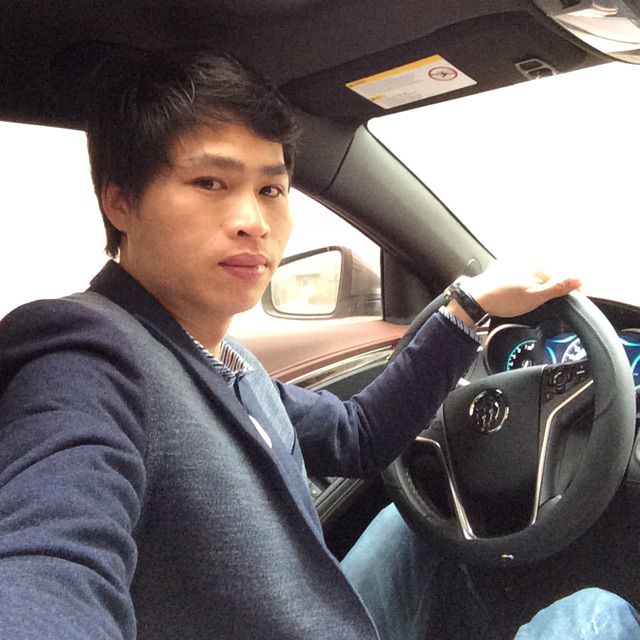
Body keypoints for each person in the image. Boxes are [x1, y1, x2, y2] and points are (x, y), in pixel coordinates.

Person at [0, 48, 637, 640]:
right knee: (597, 614)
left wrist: (470, 308)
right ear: (120, 202)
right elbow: (49, 559)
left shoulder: (220, 358)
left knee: (411, 527)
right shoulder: (85, 355)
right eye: (211, 183)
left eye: (270, 189)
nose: (252, 221)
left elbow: (359, 435)